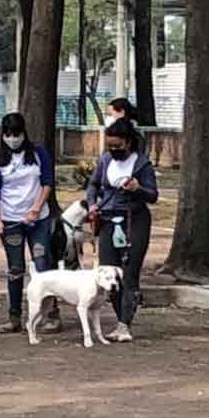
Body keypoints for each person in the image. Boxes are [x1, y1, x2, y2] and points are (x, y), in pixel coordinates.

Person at [85, 119, 159, 342]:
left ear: (128, 142)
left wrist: (138, 189)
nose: (114, 150)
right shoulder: (105, 160)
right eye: (110, 146)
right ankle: (119, 319)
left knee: (129, 272)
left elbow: (153, 195)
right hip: (108, 219)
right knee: (109, 273)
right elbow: (93, 185)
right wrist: (92, 204)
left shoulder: (142, 165)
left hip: (133, 220)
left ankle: (125, 323)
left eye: (118, 146)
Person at [0, 113, 55, 334]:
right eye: (8, 135)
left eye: (16, 134)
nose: (12, 139)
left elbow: (47, 183)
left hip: (38, 219)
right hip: (11, 220)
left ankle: (51, 314)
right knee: (15, 268)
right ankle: (14, 316)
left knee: (43, 264)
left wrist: (36, 208)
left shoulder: (38, 153)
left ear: (23, 133)